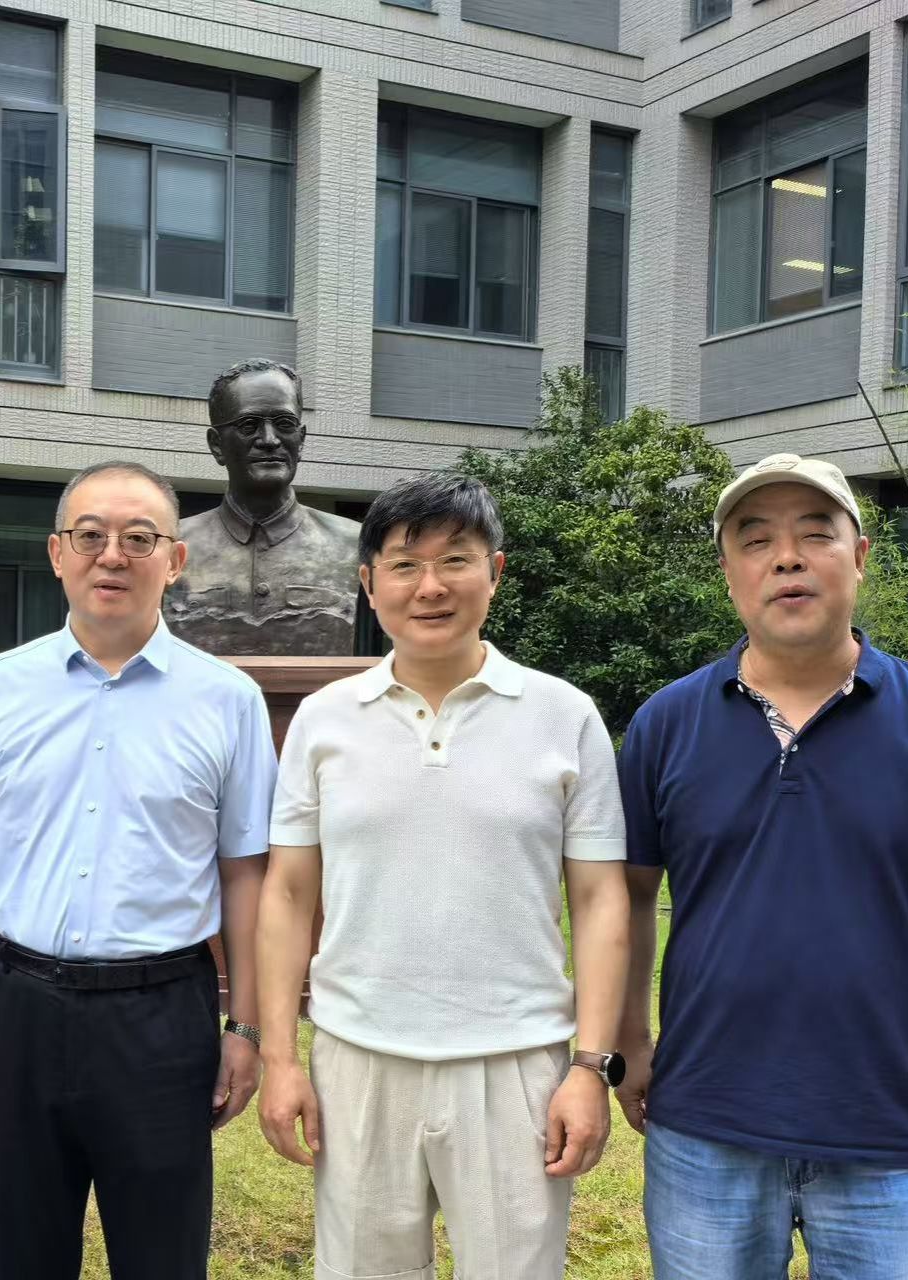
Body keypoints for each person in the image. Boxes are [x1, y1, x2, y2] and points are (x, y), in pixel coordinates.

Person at [616, 452, 908, 1279]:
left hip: (896, 1135)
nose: (786, 558)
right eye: (756, 541)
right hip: (704, 1128)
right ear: (729, 574)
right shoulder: (665, 724)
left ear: (859, 558)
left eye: (815, 534)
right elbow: (628, 897)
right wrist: (630, 1036)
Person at [255, 473, 631, 1280]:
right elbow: (286, 895)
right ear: (369, 583)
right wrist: (280, 1058)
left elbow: (601, 901)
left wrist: (589, 1066)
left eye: (455, 560)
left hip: (517, 1060)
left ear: (495, 572)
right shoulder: (324, 720)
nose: (430, 587)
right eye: (404, 564)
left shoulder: (564, 716)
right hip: (358, 1056)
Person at [0, 460, 278, 1280]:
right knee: (19, 1253)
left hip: (161, 1016)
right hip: (16, 1006)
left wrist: (246, 1028)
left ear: (175, 560)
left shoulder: (228, 701)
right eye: (91, 536)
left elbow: (245, 874)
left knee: (161, 1256)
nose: (113, 555)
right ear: (57, 553)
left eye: (139, 539)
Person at [164, 359, 363, 656]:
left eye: (284, 424)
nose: (270, 440)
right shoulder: (170, 545)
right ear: (216, 444)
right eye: (248, 425)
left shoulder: (356, 542)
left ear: (301, 440)